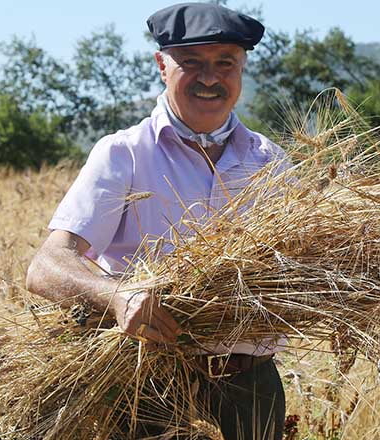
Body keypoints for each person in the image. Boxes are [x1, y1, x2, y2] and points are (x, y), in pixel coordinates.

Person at [25, 3, 286, 439]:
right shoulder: (123, 154)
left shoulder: (269, 161)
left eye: (225, 63)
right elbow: (46, 266)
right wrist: (115, 296)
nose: (209, 78)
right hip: (149, 383)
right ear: (162, 66)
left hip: (251, 386)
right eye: (192, 63)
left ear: (242, 69)